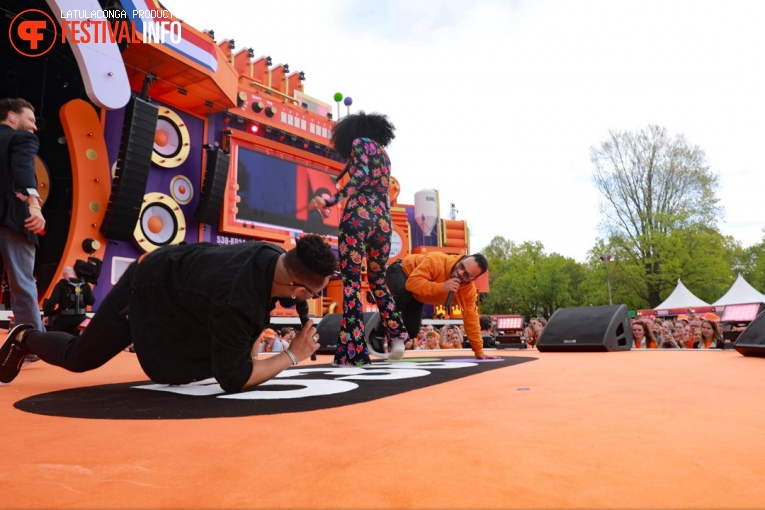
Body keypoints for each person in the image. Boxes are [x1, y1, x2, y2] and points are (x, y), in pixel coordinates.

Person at [0, 235, 338, 392]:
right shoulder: (236, 298)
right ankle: (27, 336)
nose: (311, 300)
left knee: (209, 361)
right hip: (147, 288)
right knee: (80, 358)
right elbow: (233, 379)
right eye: (312, 293)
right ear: (296, 289)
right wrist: (293, 356)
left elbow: (254, 321)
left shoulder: (273, 257)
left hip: (180, 294)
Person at [307, 111, 409, 366]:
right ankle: (397, 336)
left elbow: (361, 177)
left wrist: (331, 200)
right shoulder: (384, 155)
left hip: (359, 215)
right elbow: (373, 181)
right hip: (383, 220)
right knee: (377, 283)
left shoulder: (358, 143)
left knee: (351, 284)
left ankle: (353, 353)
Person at [385, 252, 500, 360]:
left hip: (418, 295)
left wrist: (479, 351)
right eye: (461, 266)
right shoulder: (436, 260)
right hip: (400, 270)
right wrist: (443, 286)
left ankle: (391, 341)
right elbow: (411, 284)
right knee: (404, 296)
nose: (460, 272)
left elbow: (471, 319)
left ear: (472, 279)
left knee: (412, 330)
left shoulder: (468, 292)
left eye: (466, 274)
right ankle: (379, 328)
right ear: (462, 259)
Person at [0, 97, 46, 332]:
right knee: (22, 283)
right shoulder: (22, 138)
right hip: (13, 220)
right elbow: (23, 168)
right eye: (31, 119)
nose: (34, 127)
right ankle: (32, 343)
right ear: (12, 116)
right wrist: (34, 204)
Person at [42, 266, 95, 335]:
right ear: (74, 274)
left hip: (63, 322)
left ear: (64, 274)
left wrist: (48, 314)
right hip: (80, 321)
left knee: (62, 342)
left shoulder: (61, 284)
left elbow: (52, 302)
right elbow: (91, 301)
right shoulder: (85, 285)